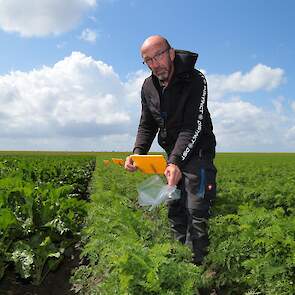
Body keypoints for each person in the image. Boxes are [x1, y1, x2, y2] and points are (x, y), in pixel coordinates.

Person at [124, 35, 217, 265]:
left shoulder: (195, 79)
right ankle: (180, 264)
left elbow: (192, 126)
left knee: (196, 211)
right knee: (175, 208)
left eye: (158, 56)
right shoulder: (148, 87)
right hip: (172, 155)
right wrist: (138, 153)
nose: (155, 64)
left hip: (198, 153)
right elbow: (147, 123)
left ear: (171, 53)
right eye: (148, 60)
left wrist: (175, 161)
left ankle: (197, 271)